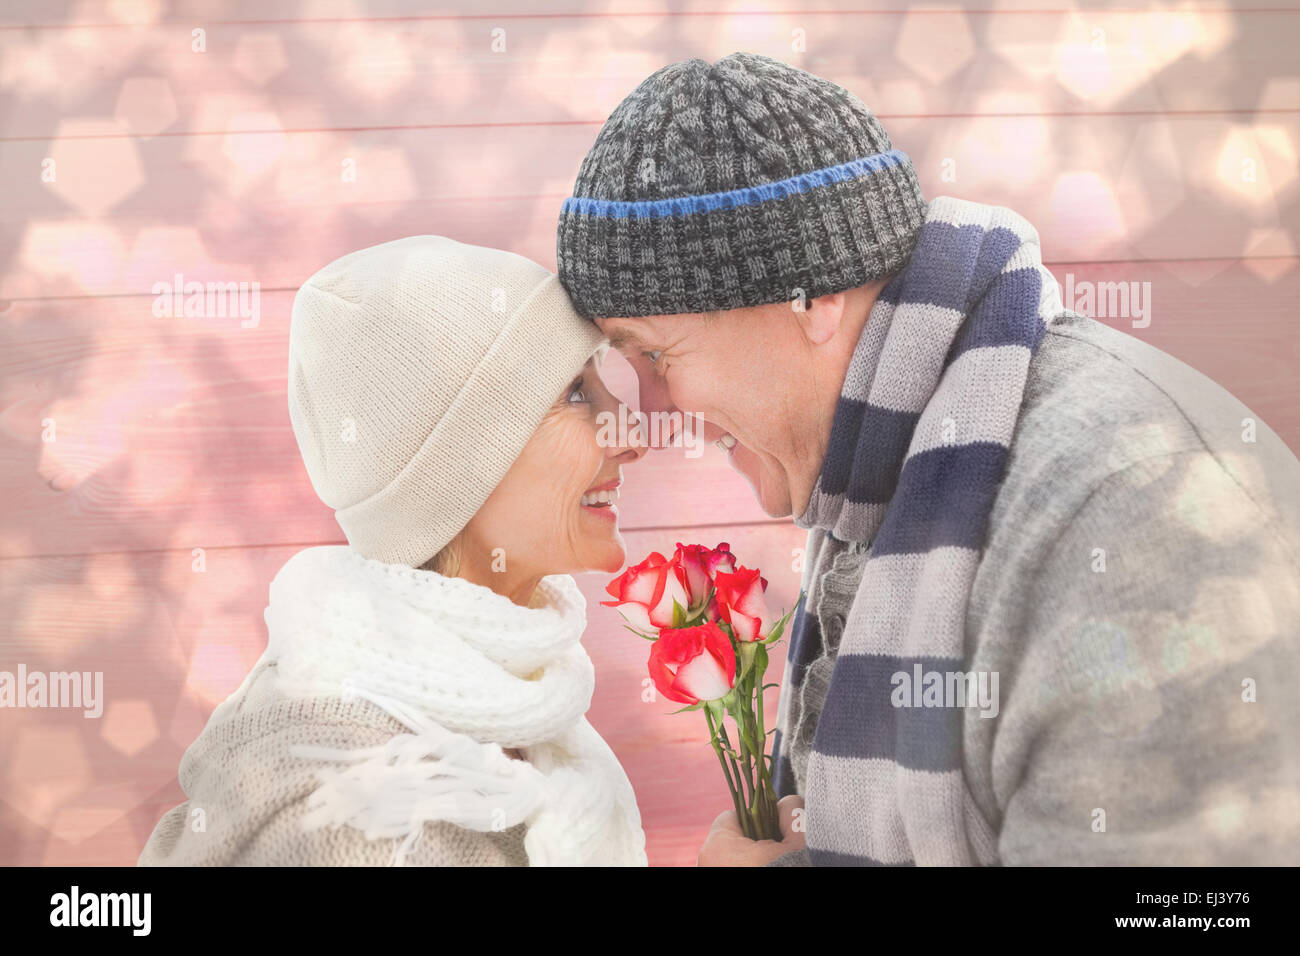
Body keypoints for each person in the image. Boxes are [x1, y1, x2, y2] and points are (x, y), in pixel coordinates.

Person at [557, 52, 1300, 866]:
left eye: (657, 355)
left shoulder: (1127, 517)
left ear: (812, 298)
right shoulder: (900, 467)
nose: (656, 415)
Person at [140, 236, 650, 866]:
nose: (633, 432)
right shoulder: (348, 813)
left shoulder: (514, 705)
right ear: (463, 466)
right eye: (575, 391)